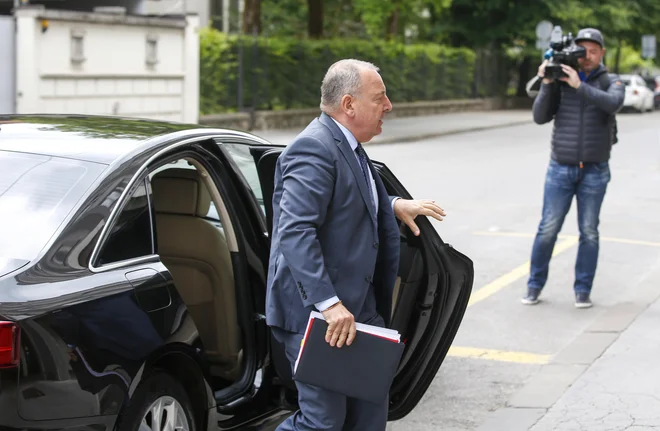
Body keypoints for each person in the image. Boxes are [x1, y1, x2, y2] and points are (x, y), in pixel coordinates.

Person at [265, 58, 446, 431]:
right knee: (323, 423)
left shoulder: (347, 144)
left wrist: (394, 205)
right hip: (320, 317)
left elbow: (351, 195)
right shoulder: (313, 149)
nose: (389, 105)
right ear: (349, 105)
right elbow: (296, 231)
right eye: (380, 97)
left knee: (367, 419)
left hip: (358, 314)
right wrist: (329, 304)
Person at [522, 28, 625, 309]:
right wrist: (546, 81)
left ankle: (582, 291)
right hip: (560, 169)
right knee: (547, 229)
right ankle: (533, 286)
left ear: (601, 53)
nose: (587, 56)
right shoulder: (560, 79)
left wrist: (580, 85)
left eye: (593, 51)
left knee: (589, 232)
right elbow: (540, 116)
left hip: (595, 170)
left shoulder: (611, 81)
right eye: (583, 50)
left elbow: (613, 104)